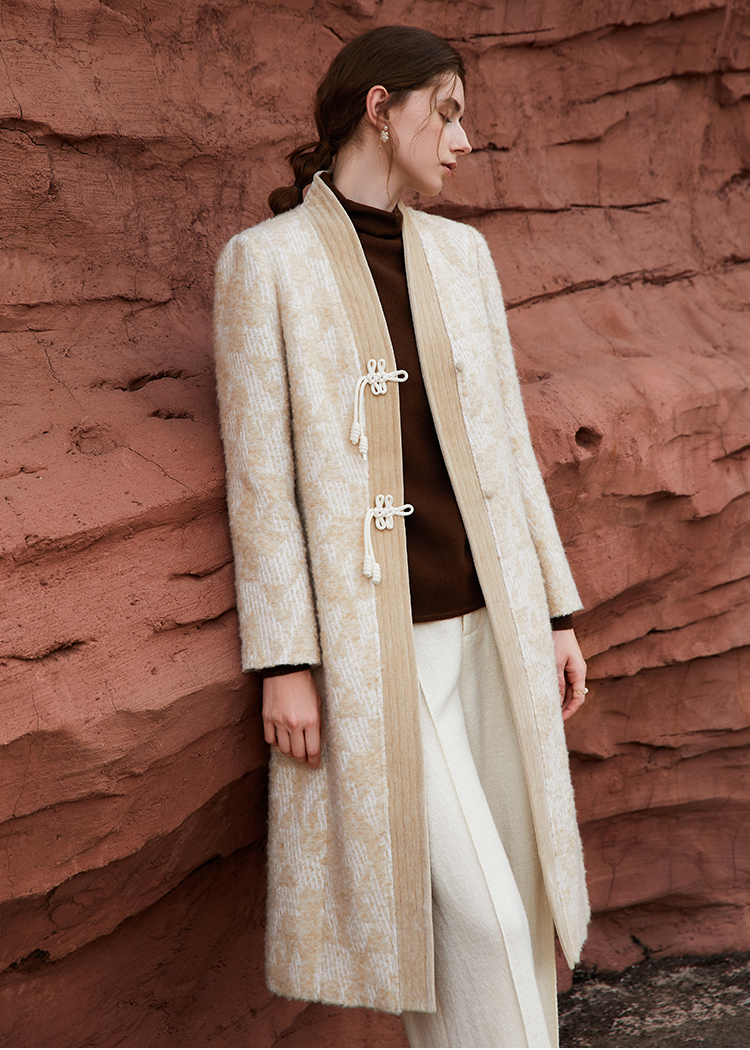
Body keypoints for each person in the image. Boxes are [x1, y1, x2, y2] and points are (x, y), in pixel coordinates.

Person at [213, 24, 590, 1048]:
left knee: (512, 908)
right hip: (378, 650)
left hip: (495, 627)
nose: (463, 140)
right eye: (449, 113)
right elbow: (262, 484)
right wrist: (284, 662)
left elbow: (509, 449)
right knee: (483, 916)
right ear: (380, 108)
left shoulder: (464, 257)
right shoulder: (264, 265)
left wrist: (556, 612)